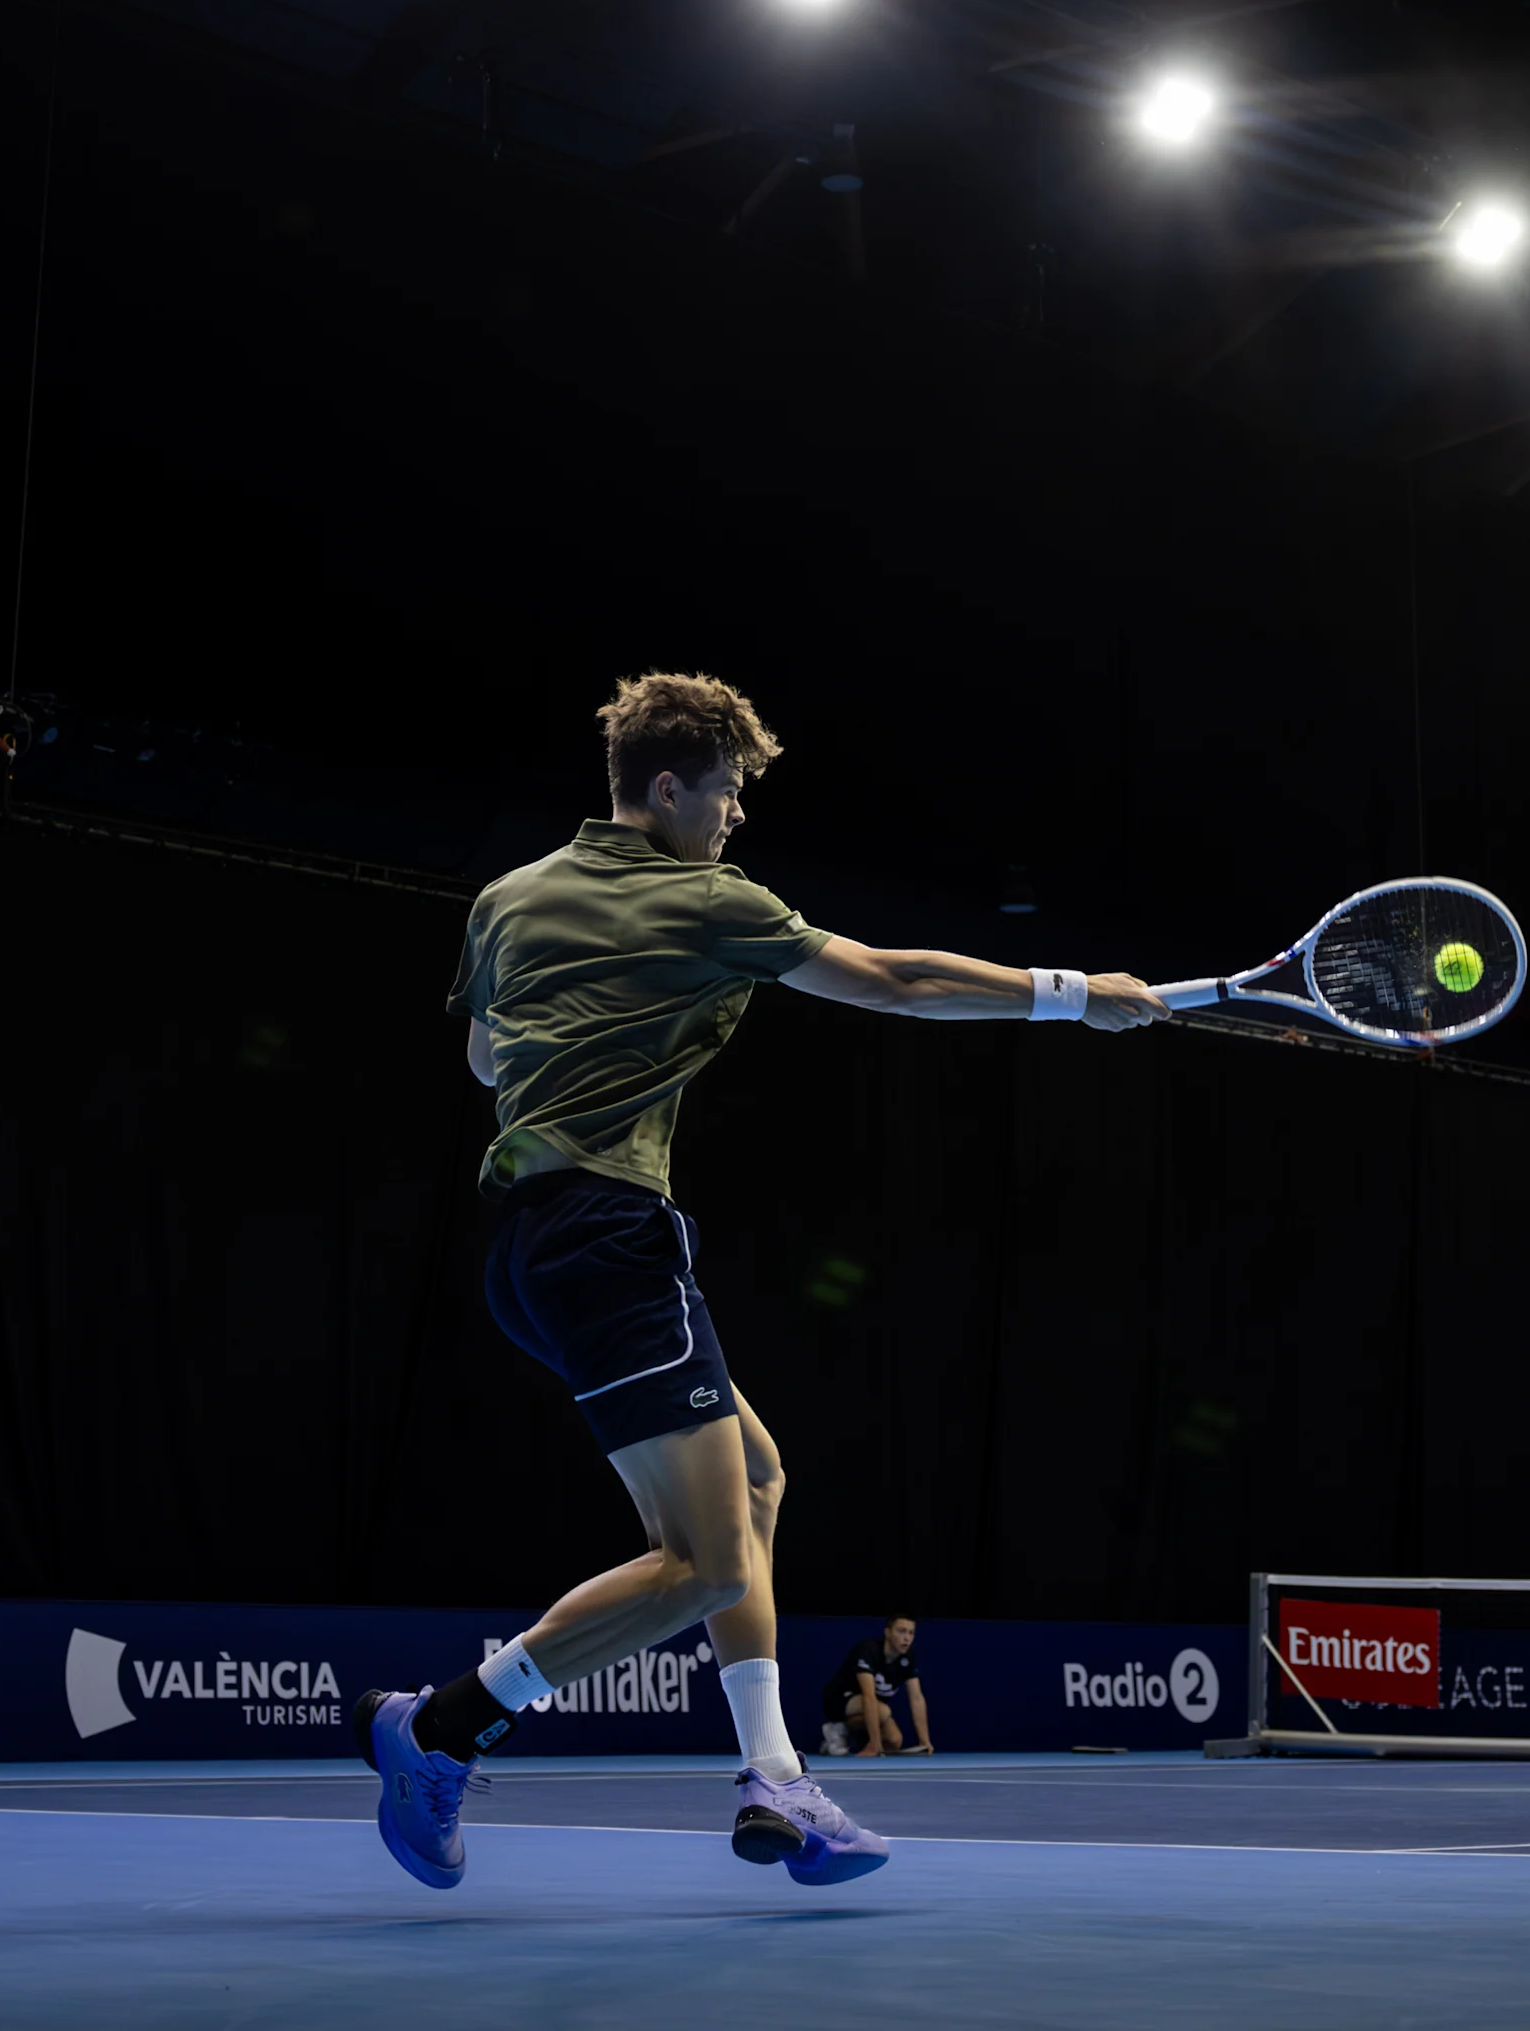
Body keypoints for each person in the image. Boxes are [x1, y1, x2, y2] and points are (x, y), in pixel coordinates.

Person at [360, 674, 1168, 1892]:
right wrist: (1075, 995)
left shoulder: (506, 898)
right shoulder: (706, 899)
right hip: (609, 1234)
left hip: (530, 1249)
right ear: (671, 787)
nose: (735, 818)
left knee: (756, 1476)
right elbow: (893, 979)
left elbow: (486, 1054)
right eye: (728, 794)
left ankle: (775, 1778)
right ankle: (437, 1731)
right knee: (707, 1565)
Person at [820, 1616, 933, 1757]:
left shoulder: (908, 1658)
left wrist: (924, 1742)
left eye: (911, 1633)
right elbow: (869, 1696)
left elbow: (916, 1698)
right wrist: (874, 1743)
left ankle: (844, 1734)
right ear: (887, 1633)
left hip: (873, 1708)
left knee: (894, 1741)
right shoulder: (868, 1650)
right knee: (884, 1711)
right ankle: (837, 1729)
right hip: (838, 1699)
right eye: (901, 1631)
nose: (907, 1638)